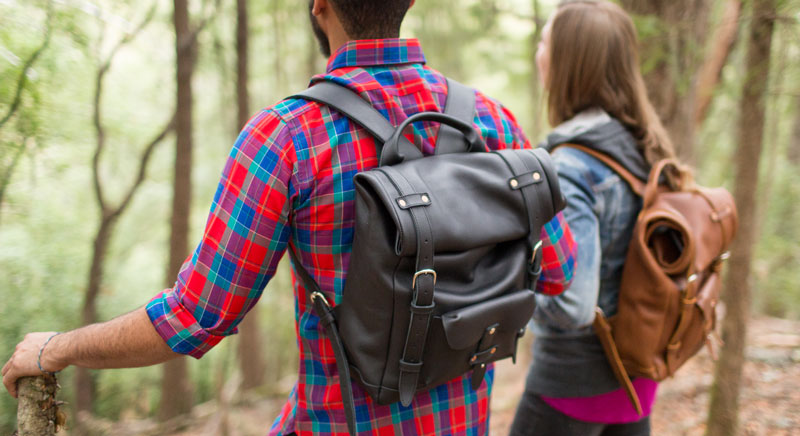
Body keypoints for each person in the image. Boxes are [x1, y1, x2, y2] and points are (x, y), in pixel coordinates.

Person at [2, 0, 576, 434]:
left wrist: (59, 347)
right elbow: (558, 272)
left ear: (319, 6)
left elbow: (194, 317)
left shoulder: (288, 138)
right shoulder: (492, 123)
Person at [509, 1, 688, 435]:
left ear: (571, 62)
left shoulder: (572, 165)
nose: (538, 52)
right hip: (634, 378)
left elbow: (573, 306)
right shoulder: (645, 148)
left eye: (545, 41)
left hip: (573, 384)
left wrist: (514, 298)